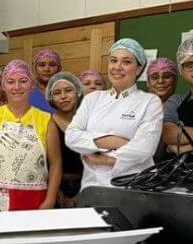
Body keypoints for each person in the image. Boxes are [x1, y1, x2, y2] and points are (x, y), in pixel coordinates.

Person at [66, 38, 163, 188]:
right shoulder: (93, 99)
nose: (117, 67)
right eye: (113, 60)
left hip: (133, 186)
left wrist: (102, 159)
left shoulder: (150, 102)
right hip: (93, 186)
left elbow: (144, 149)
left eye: (126, 62)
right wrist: (111, 141)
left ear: (138, 68)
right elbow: (71, 136)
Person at [0, 59, 61, 211]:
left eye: (23, 81)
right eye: (11, 81)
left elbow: (56, 163)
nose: (17, 87)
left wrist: (50, 200)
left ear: (31, 85)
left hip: (36, 200)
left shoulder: (46, 120)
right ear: (4, 86)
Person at [47, 72, 84, 208]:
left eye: (68, 91)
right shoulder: (46, 124)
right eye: (57, 93)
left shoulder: (88, 123)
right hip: (54, 189)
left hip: (86, 185)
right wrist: (56, 192)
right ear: (51, 98)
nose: (63, 96)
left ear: (78, 92)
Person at [30, 49, 60, 113]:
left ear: (59, 68)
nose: (47, 69)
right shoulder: (26, 91)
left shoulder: (67, 92)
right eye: (42, 65)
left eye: (52, 65)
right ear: (35, 68)